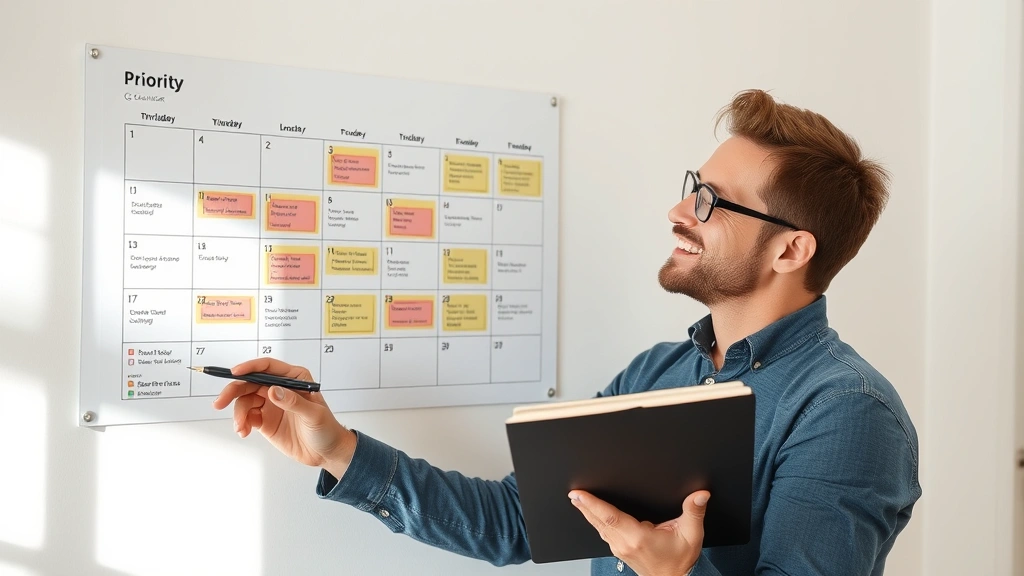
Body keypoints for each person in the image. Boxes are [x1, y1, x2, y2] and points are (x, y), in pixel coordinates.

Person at [214, 89, 921, 575]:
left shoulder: (849, 413)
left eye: (712, 202)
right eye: (690, 185)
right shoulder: (656, 375)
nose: (680, 210)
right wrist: (334, 447)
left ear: (790, 251)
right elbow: (515, 522)